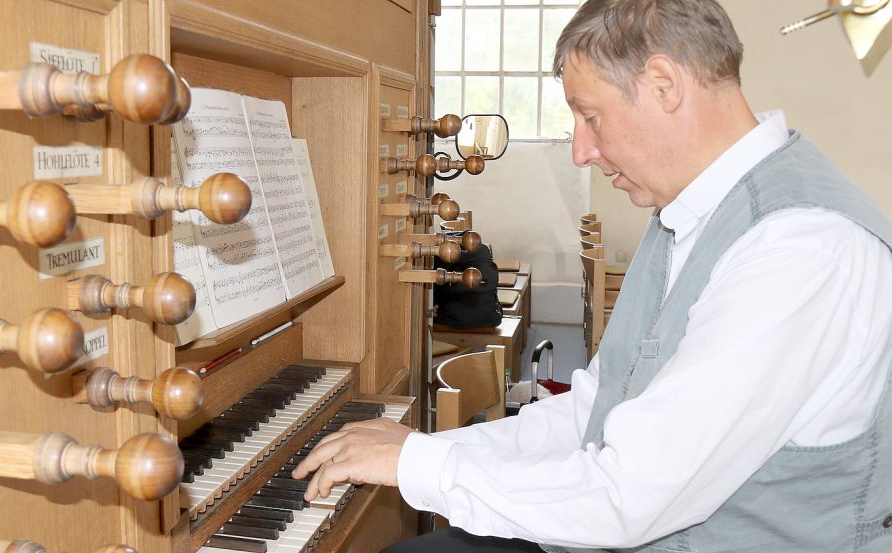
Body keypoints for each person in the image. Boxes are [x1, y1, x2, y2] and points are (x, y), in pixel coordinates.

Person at [292, 1, 892, 551]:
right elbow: (593, 413)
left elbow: (631, 496)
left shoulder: (800, 249)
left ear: (664, 85)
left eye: (590, 116)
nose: (580, 150)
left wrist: (416, 466)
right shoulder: (686, 215)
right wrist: (424, 450)